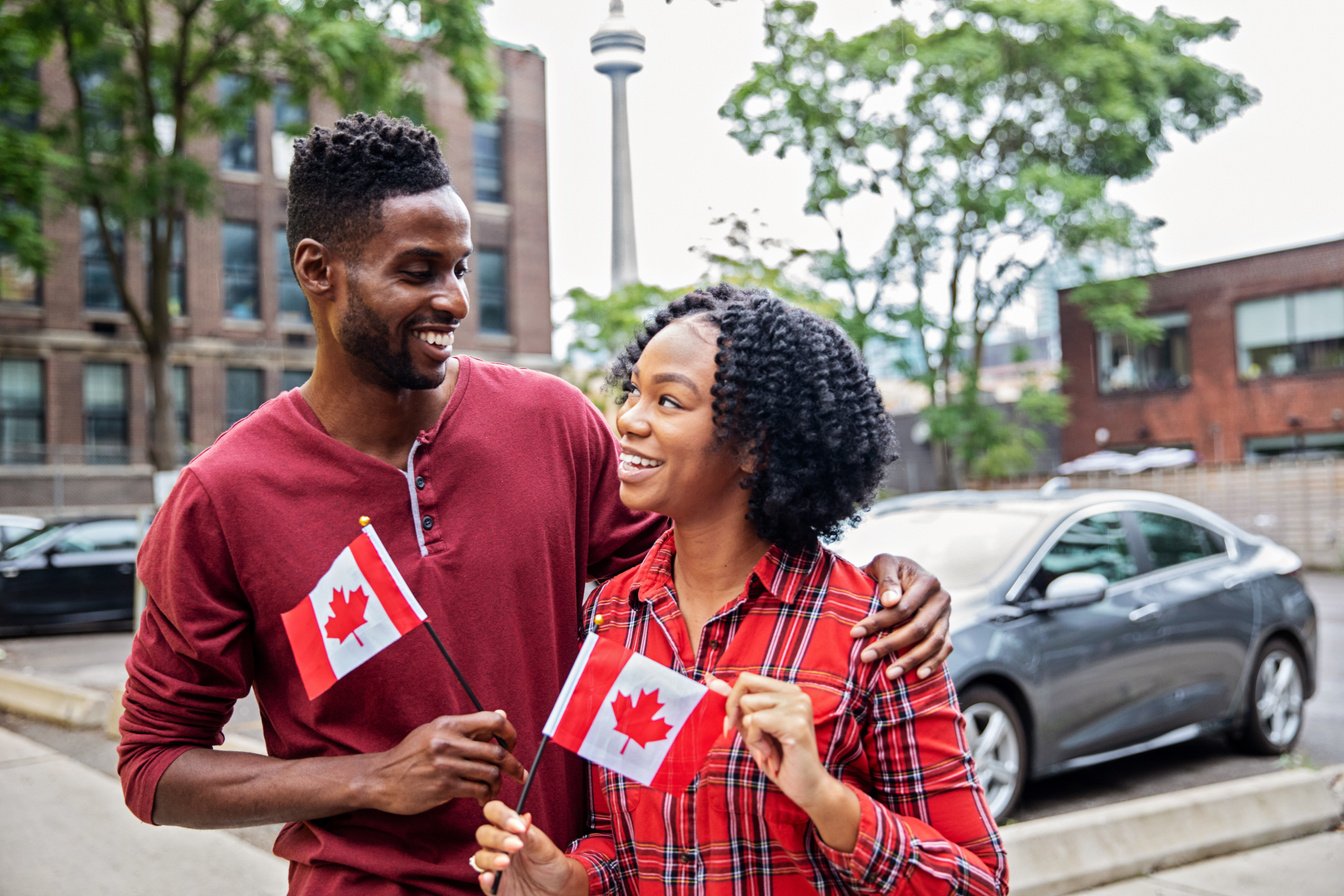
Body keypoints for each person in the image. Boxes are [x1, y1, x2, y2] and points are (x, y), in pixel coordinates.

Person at [117, 113, 954, 896]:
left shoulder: (550, 421)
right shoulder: (221, 497)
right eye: (417, 271)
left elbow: (712, 550)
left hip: (564, 881)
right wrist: (371, 776)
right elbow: (153, 771)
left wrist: (877, 574)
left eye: (460, 267)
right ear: (317, 270)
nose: (454, 300)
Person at [472, 286, 1007, 895]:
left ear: (756, 446)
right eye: (632, 393)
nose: (628, 419)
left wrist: (826, 800)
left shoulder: (875, 631)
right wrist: (569, 880)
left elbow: (979, 881)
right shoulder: (609, 617)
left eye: (668, 401)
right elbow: (628, 844)